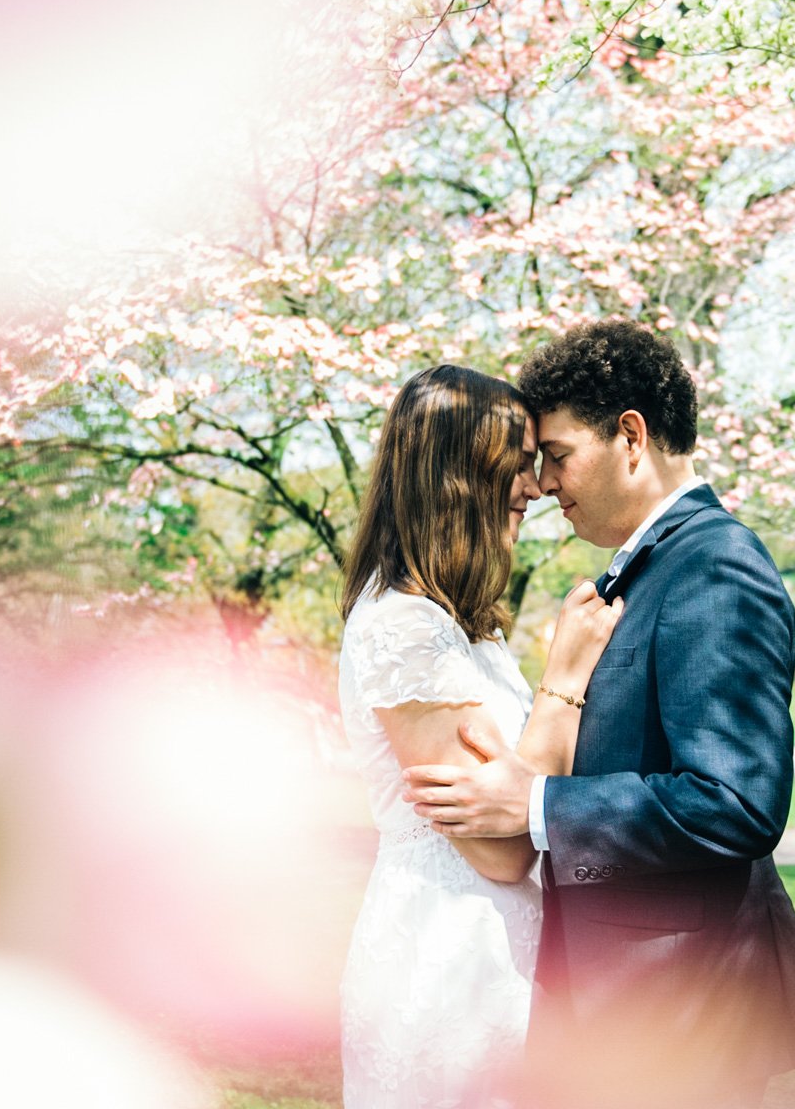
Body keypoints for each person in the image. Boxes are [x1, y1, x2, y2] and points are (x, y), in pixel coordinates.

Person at [401, 320, 795, 1109]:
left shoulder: (716, 571)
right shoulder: (652, 571)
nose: (545, 483)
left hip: (683, 1014)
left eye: (557, 455)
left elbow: (737, 804)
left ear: (630, 435)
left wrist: (532, 806)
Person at [336, 364, 623, 1109]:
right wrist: (564, 679)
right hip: (445, 965)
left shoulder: (468, 632)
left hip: (502, 958)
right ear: (458, 474)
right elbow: (501, 847)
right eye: (517, 466)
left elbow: (517, 792)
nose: (534, 488)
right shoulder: (402, 627)